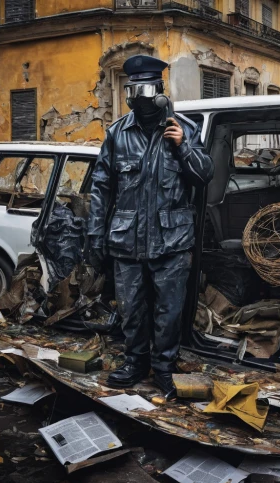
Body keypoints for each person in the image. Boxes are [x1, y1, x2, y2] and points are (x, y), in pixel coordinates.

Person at [88, 55, 214, 398]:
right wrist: (95, 235)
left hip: (172, 241)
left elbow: (204, 177)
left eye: (147, 93)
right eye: (135, 94)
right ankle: (134, 363)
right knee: (131, 310)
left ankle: (163, 369)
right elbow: (101, 188)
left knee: (168, 312)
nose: (141, 101)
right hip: (126, 242)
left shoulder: (185, 129)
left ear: (160, 92)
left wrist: (183, 147)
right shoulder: (117, 134)